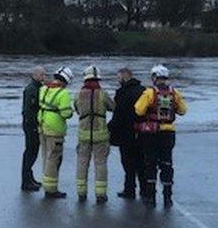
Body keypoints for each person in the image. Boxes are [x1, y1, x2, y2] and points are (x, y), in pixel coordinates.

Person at [134, 64, 187, 208]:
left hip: (151, 133)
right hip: (168, 133)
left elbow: (138, 110)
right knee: (167, 164)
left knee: (150, 164)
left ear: (154, 77)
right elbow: (183, 110)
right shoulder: (174, 93)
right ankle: (167, 197)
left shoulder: (149, 93)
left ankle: (151, 197)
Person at [74, 66, 116, 203]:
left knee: (82, 163)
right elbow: (113, 107)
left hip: (84, 134)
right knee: (100, 164)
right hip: (101, 134)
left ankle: (81, 193)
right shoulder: (103, 93)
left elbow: (76, 109)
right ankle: (101, 194)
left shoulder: (79, 94)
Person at [38, 66, 74, 199]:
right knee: (54, 159)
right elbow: (66, 113)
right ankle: (51, 190)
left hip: (42, 125)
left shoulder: (43, 88)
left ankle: (47, 185)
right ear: (65, 81)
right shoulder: (63, 93)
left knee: (46, 157)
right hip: (55, 129)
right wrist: (71, 112)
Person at [109, 68, 145, 199]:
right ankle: (145, 190)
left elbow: (118, 115)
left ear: (124, 78)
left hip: (126, 133)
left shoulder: (122, 93)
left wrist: (110, 129)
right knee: (142, 162)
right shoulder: (143, 90)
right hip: (142, 132)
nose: (117, 81)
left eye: (118, 78)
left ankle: (129, 190)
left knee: (128, 163)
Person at [21, 66, 47, 191]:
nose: (44, 77)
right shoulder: (31, 89)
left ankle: (29, 178)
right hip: (31, 125)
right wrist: (34, 125)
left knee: (33, 152)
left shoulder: (38, 88)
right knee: (30, 152)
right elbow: (29, 110)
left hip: (32, 124)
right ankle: (26, 181)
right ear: (35, 75)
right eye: (41, 75)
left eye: (44, 75)